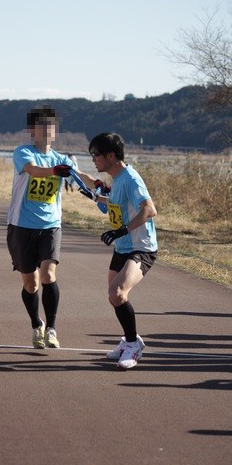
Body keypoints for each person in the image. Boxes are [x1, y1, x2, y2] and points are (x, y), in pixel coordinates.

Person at [6, 106, 96, 349]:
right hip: (21, 226)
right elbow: (33, 171)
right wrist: (54, 171)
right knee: (31, 284)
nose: (47, 130)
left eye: (51, 125)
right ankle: (37, 325)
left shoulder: (61, 158)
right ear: (32, 130)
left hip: (51, 225)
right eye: (42, 125)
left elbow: (79, 176)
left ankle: (52, 329)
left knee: (48, 275)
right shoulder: (22, 152)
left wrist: (97, 184)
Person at [81, 132, 158, 370]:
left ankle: (133, 346)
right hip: (123, 247)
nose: (93, 159)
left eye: (96, 155)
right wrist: (97, 198)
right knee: (115, 296)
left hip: (140, 247)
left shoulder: (131, 178)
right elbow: (116, 205)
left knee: (117, 292)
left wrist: (121, 230)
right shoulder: (116, 179)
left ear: (111, 156)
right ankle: (129, 340)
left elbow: (149, 210)